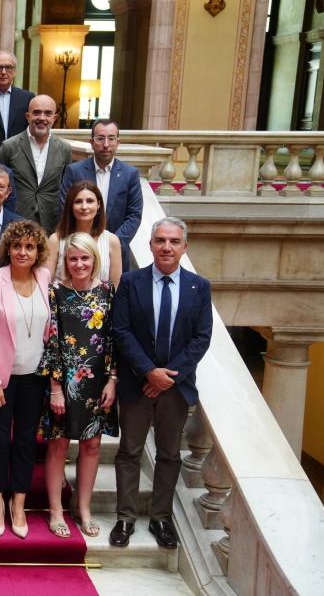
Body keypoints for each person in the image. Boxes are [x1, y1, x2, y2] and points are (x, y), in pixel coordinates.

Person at [109, 217, 212, 550]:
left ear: (185, 246)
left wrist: (167, 377)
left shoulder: (199, 286)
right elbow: (120, 330)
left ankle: (161, 518)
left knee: (169, 455)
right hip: (137, 385)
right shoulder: (130, 282)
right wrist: (148, 372)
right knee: (129, 452)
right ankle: (125, 517)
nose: (167, 247)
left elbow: (201, 338)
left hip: (176, 389)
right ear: (151, 244)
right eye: (161, 240)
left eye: (174, 241)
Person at [0, 220, 51, 539]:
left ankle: (18, 503)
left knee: (24, 443)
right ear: (8, 248)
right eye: (17, 246)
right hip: (1, 380)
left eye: (30, 247)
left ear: (38, 252)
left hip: (35, 378)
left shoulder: (44, 277)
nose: (23, 252)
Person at [39, 232, 119, 540]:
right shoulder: (54, 291)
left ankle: (83, 508)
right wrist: (56, 386)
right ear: (65, 262)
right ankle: (56, 510)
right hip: (64, 381)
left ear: (94, 259)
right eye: (73, 258)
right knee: (58, 444)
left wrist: (113, 380)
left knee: (92, 445)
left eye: (85, 258)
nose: (79, 263)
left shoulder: (108, 293)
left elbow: (114, 340)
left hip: (98, 383)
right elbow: (52, 341)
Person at [59, 119, 143, 273]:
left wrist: (113, 243)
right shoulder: (74, 171)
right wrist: (83, 242)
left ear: (118, 142)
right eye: (100, 138)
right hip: (78, 252)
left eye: (111, 138)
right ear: (91, 142)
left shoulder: (130, 174)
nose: (106, 144)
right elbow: (65, 208)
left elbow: (134, 215)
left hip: (114, 254)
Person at [0, 95, 71, 234]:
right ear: (27, 116)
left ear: (54, 118)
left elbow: (66, 189)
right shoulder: (9, 146)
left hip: (51, 224)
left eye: (48, 113)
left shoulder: (64, 149)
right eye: (36, 112)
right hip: (16, 222)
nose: (42, 118)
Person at [46, 181, 123, 286]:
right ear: (70, 206)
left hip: (101, 301)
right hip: (60, 301)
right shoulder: (55, 240)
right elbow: (45, 283)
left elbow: (116, 286)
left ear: (99, 204)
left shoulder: (112, 241)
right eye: (78, 201)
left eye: (90, 201)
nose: (84, 206)